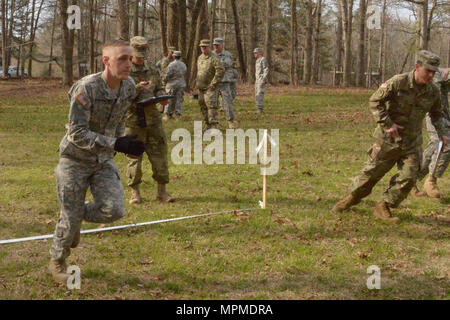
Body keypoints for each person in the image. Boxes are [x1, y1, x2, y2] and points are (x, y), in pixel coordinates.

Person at [49, 39, 146, 283]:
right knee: (69, 218)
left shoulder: (128, 86)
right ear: (106, 61)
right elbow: (76, 133)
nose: (128, 64)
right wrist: (115, 143)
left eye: (130, 58)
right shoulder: (86, 88)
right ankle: (57, 261)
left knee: (114, 209)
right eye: (121, 58)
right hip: (74, 159)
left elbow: (119, 118)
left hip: (102, 160)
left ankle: (73, 216)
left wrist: (124, 140)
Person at [332, 50, 450, 223]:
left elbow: (437, 114)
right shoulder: (398, 82)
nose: (431, 75)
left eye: (434, 72)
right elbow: (375, 101)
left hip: (412, 142)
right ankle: (351, 198)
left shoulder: (433, 91)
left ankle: (384, 206)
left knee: (409, 177)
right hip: (388, 140)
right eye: (428, 70)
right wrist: (388, 124)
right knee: (371, 174)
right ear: (417, 67)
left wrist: (443, 134)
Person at [125, 36, 174, 205]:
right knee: (134, 158)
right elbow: (121, 96)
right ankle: (135, 192)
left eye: (143, 55)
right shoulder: (124, 71)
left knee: (159, 155)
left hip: (153, 119)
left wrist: (162, 98)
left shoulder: (152, 68)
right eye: (138, 55)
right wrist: (138, 87)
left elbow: (159, 87)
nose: (141, 59)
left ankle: (162, 192)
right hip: (134, 120)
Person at [411, 67, 450, 198]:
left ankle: (411, 180)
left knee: (434, 147)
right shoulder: (438, 74)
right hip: (435, 114)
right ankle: (431, 180)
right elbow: (442, 75)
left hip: (445, 116)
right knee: (446, 145)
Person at [196, 39, 225, 130]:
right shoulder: (200, 57)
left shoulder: (214, 57)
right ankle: (207, 124)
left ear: (209, 47)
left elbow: (220, 70)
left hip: (210, 87)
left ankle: (214, 126)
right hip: (201, 87)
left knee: (211, 106)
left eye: (205, 47)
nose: (203, 48)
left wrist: (213, 83)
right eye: (202, 47)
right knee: (202, 106)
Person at [213, 37, 236, 129]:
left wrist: (216, 65)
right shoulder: (211, 54)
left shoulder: (227, 55)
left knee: (227, 102)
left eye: (217, 45)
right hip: (213, 82)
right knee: (212, 103)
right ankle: (213, 123)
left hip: (224, 81)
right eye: (214, 45)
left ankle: (231, 121)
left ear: (222, 45)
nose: (215, 47)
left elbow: (227, 64)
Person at [162, 51, 187, 121]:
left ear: (173, 56)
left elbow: (167, 75)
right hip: (181, 84)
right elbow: (185, 72)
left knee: (169, 99)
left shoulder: (171, 65)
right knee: (179, 100)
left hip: (172, 85)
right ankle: (178, 116)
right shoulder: (183, 65)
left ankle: (168, 115)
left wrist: (164, 80)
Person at [253, 48, 269, 114]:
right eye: (254, 53)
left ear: (260, 53)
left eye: (256, 53)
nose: (254, 54)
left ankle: (260, 109)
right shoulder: (257, 61)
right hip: (257, 80)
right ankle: (258, 108)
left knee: (260, 94)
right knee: (257, 94)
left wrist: (264, 79)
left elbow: (266, 69)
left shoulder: (263, 59)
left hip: (261, 80)